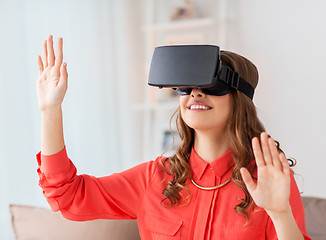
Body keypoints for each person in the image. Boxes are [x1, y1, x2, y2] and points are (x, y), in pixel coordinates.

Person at [36, 35, 311, 239]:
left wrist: (280, 214)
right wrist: (50, 111)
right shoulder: (153, 178)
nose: (196, 93)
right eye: (186, 85)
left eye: (211, 85)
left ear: (240, 98)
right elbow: (68, 197)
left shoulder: (269, 181)